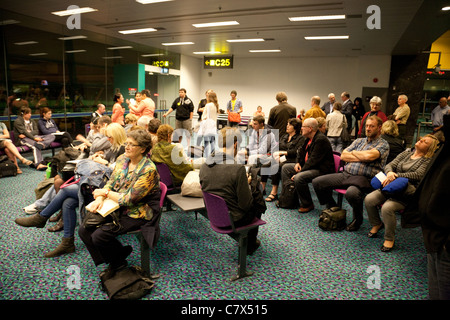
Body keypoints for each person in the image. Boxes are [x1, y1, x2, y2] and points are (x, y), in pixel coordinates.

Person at [79, 129, 161, 275]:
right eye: (126, 143)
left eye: (131, 145)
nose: (127, 147)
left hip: (139, 212)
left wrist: (105, 193)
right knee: (84, 229)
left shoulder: (148, 170)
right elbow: (111, 181)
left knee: (99, 236)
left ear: (142, 149)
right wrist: (100, 198)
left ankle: (117, 261)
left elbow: (129, 199)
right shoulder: (123, 159)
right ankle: (117, 258)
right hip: (117, 205)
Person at [402, 113, 450, 300]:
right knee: (435, 293)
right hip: (433, 232)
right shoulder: (444, 149)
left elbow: (417, 176)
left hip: (445, 239)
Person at [312, 116, 389, 231]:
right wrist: (361, 156)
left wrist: (353, 153)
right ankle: (334, 208)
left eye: (371, 126)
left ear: (379, 128)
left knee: (352, 193)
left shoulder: (383, 144)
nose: (368, 129)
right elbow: (343, 155)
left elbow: (369, 156)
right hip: (346, 174)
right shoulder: (359, 141)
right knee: (317, 182)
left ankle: (358, 219)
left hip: (363, 179)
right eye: (367, 126)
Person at [365, 134, 439, 252]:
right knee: (369, 199)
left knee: (387, 208)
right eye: (421, 139)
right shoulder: (407, 153)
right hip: (391, 186)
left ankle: (389, 238)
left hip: (407, 193)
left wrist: (397, 175)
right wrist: (390, 173)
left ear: (429, 149)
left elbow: (418, 175)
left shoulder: (427, 160)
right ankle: (377, 224)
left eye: (425, 142)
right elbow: (390, 165)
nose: (421, 140)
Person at [199, 127, 265, 255]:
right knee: (257, 199)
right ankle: (250, 244)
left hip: (214, 214)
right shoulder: (238, 169)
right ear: (235, 145)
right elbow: (246, 205)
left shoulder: (204, 165)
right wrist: (248, 185)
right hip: (234, 219)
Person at [281, 118, 334, 213]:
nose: (301, 128)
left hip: (321, 169)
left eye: (303, 127)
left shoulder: (320, 139)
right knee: (286, 168)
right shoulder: (308, 138)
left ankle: (307, 204)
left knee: (299, 177)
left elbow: (313, 161)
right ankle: (289, 198)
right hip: (310, 167)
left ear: (310, 128)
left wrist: (300, 172)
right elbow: (300, 152)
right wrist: (297, 163)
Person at [264, 118, 304, 202]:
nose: (287, 126)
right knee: (265, 166)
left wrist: (283, 153)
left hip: (292, 160)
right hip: (280, 158)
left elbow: (297, 152)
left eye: (290, 125)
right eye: (287, 124)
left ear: (295, 127)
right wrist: (276, 155)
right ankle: (262, 189)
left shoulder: (300, 138)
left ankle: (274, 192)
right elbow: (276, 147)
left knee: (276, 166)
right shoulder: (284, 136)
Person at [238, 115, 278, 191]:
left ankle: (250, 180)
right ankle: (241, 176)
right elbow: (251, 144)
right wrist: (246, 150)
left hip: (268, 154)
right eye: (253, 123)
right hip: (258, 151)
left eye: (255, 124)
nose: (253, 125)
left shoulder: (269, 134)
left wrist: (249, 152)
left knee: (252, 157)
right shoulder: (254, 131)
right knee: (239, 154)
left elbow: (263, 150)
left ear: (261, 124)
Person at [198, 91, 219, 158]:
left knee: (206, 142)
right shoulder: (216, 105)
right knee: (212, 141)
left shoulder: (207, 105)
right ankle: (213, 155)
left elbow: (203, 116)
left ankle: (207, 157)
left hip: (207, 126)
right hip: (213, 126)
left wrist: (204, 118)